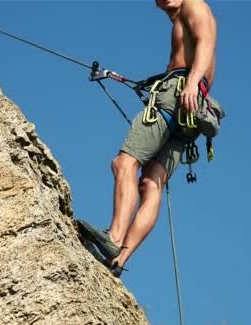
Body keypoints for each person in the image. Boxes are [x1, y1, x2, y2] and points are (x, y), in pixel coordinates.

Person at [79, 0, 222, 277]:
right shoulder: (181, 16)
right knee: (150, 185)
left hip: (178, 94)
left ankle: (115, 237)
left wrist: (191, 82)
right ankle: (119, 260)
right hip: (190, 114)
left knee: (124, 163)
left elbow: (206, 44)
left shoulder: (194, 5)